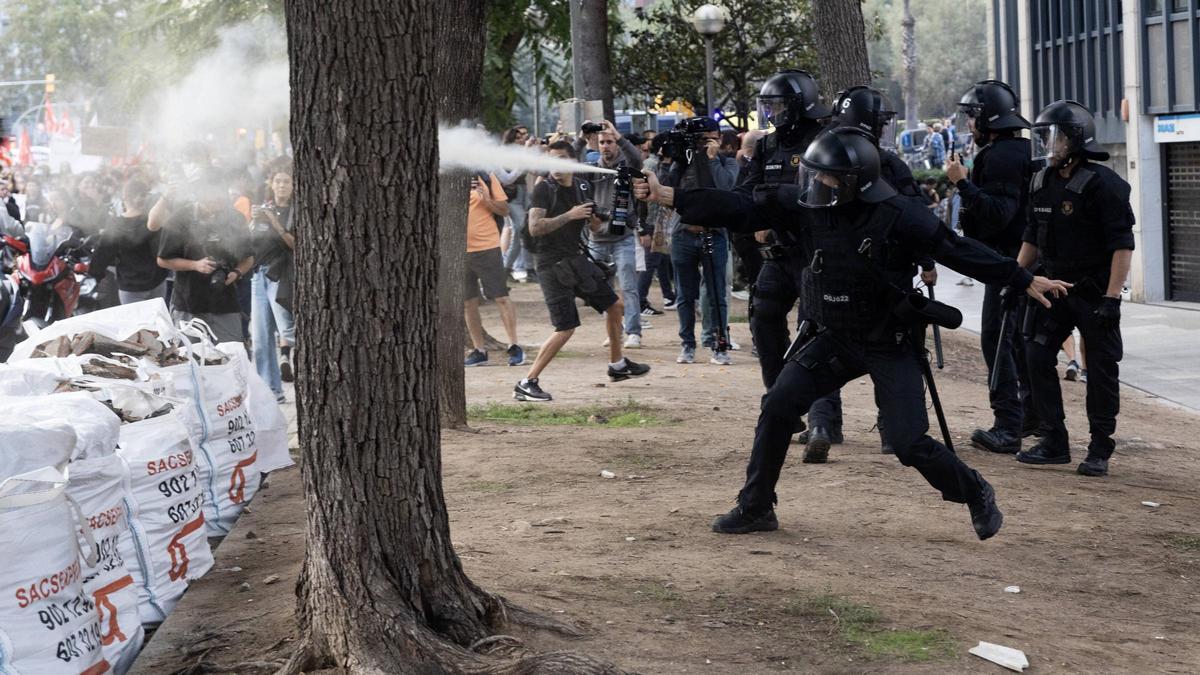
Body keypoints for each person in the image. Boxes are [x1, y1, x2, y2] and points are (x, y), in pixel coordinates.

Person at [637, 127, 1071, 539]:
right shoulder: (807, 205)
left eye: (827, 176)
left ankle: (973, 489)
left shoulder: (900, 214)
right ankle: (756, 507)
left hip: (889, 340)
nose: (817, 182)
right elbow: (741, 206)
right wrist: (669, 195)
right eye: (814, 173)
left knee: (907, 442)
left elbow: (958, 250)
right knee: (778, 407)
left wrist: (1021, 278)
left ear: (856, 183)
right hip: (832, 335)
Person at [1015, 100, 1134, 477]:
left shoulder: (1104, 185)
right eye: (1045, 137)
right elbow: (1032, 237)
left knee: (1100, 368)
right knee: (1036, 354)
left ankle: (1100, 446)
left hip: (1095, 290)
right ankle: (1054, 440)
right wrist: (1014, 278)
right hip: (1053, 287)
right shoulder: (1040, 182)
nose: (1049, 145)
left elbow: (1122, 246)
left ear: (1076, 141)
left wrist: (1112, 299)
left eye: (1056, 138)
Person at [514, 141, 650, 401]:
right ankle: (526, 382)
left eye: (562, 159)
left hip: (575, 260)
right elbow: (535, 227)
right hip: (551, 265)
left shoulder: (581, 186)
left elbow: (595, 228)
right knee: (565, 327)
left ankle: (617, 365)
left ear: (572, 162)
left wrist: (595, 223)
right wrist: (570, 215)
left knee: (615, 306)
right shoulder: (544, 188)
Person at [948, 79, 1040, 453]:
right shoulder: (1019, 149)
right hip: (1021, 260)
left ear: (988, 119)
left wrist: (962, 184)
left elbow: (1000, 213)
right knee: (1019, 343)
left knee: (998, 341)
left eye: (972, 116)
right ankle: (1032, 418)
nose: (969, 124)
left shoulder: (1000, 156)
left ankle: (1008, 426)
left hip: (1008, 263)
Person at [662, 116, 739, 366]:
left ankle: (719, 345)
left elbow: (726, 189)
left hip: (714, 235)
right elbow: (667, 189)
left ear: (716, 137)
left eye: (708, 136)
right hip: (684, 235)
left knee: (717, 293)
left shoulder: (727, 163)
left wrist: (713, 159)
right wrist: (673, 158)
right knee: (684, 294)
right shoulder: (682, 162)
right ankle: (687, 345)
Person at [154, 172, 256, 344]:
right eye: (211, 195)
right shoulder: (181, 218)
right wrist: (195, 265)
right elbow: (162, 259)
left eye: (220, 195)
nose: (216, 200)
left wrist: (237, 273)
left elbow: (249, 258)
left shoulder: (234, 218)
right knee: (188, 359)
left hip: (226, 304)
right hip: (188, 304)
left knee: (231, 357)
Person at [576, 120, 645, 349]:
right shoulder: (590, 167)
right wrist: (581, 138)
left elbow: (636, 158)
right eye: (602, 142)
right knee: (601, 288)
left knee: (628, 285)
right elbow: (570, 165)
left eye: (610, 141)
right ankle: (614, 331)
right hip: (597, 238)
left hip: (622, 237)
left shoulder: (626, 165)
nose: (606, 146)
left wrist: (618, 134)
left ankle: (634, 331)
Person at [462, 171, 524, 368]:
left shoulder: (485, 176)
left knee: (501, 298)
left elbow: (504, 209)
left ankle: (514, 346)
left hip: (486, 247)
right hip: (457, 250)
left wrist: (486, 198)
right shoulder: (446, 177)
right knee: (467, 302)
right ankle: (479, 350)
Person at [249, 169, 297, 402]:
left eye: (286, 181)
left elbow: (294, 244)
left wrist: (275, 223)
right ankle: (271, 392)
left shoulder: (294, 211)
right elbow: (250, 243)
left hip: (282, 275)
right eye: (277, 181)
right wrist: (253, 221)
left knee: (288, 331)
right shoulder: (264, 208)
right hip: (259, 275)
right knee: (260, 338)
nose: (281, 185)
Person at [89, 178, 169, 305]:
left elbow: (102, 253)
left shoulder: (116, 224)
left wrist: (96, 274)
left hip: (131, 285)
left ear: (125, 197)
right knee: (157, 321)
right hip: (157, 280)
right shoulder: (153, 220)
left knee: (135, 324)